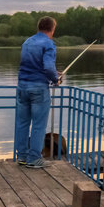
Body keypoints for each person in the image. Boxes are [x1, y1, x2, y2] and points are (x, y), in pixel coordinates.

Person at [14, 16, 62, 168]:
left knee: (22, 123)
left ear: (39, 27)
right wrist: (56, 79)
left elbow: (33, 65)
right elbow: (47, 68)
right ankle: (34, 158)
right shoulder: (48, 43)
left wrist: (54, 73)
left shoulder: (27, 42)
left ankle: (21, 156)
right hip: (38, 88)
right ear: (52, 29)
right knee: (38, 125)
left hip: (22, 86)